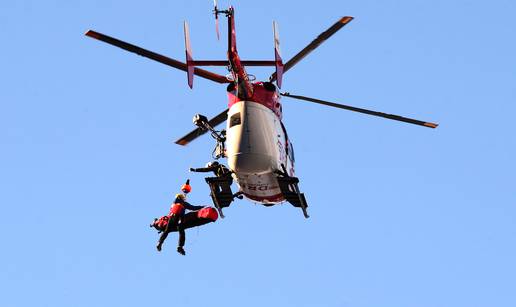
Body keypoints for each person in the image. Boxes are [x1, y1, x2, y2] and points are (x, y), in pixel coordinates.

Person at [155, 181, 204, 255]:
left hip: (172, 217)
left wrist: (186, 185)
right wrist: (203, 207)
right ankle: (180, 247)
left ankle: (159, 243)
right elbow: (193, 208)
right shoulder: (183, 203)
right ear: (181, 198)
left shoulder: (174, 203)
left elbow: (183, 194)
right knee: (181, 232)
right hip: (180, 217)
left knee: (166, 231)